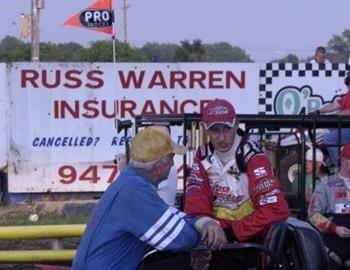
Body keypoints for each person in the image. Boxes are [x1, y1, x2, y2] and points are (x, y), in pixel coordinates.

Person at [73, 126, 227, 270]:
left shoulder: (130, 183)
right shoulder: (135, 192)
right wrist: (204, 238)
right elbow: (182, 238)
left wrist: (203, 222)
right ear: (160, 166)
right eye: (172, 158)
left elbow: (171, 218)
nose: (173, 164)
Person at [184, 99, 290, 270]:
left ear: (236, 125)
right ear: (206, 129)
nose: (221, 137)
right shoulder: (202, 155)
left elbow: (276, 209)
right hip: (214, 240)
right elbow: (195, 203)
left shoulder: (254, 158)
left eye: (226, 128)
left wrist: (230, 233)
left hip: (247, 241)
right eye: (214, 130)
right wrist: (205, 228)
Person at [308, 144, 350, 269]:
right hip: (333, 251)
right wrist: (334, 228)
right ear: (343, 160)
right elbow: (313, 215)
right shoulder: (325, 184)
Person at [115, 125, 178, 206]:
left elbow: (131, 194)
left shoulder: (165, 166)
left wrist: (124, 170)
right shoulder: (165, 163)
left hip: (156, 211)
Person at [309, 72, 350, 166]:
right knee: (323, 131)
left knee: (329, 138)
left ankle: (338, 167)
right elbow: (334, 105)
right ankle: (329, 158)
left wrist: (338, 114)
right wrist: (318, 111)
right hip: (344, 126)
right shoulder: (346, 96)